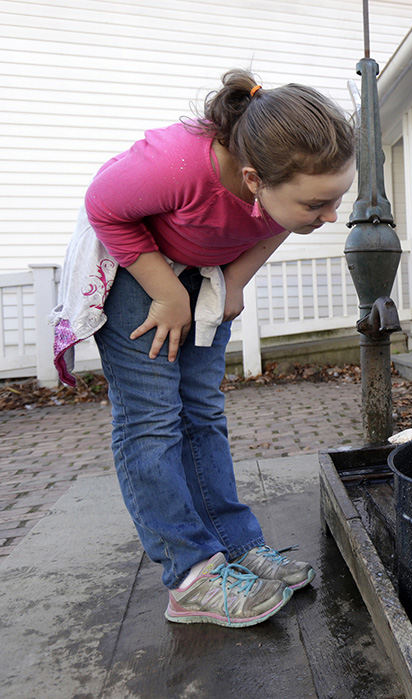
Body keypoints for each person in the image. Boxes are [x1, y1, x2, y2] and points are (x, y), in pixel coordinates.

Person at [50, 69, 356, 626]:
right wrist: (167, 294)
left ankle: (232, 546)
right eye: (318, 204)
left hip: (199, 275)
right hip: (135, 275)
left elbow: (275, 225)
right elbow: (104, 207)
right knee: (153, 421)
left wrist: (233, 282)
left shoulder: (279, 187)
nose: (331, 216)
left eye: (337, 199)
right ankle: (189, 575)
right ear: (252, 177)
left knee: (203, 413)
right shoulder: (177, 163)